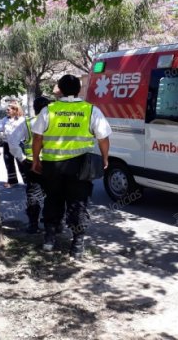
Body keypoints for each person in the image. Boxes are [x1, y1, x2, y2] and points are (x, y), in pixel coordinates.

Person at [31, 74, 111, 259]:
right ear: (78, 89)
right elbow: (103, 138)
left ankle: (49, 239)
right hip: (80, 167)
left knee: (53, 199)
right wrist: (105, 158)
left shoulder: (48, 110)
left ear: (60, 88)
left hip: (52, 165)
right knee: (78, 203)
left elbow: (37, 138)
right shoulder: (90, 110)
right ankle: (77, 243)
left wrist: (36, 160)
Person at [8, 97, 51, 233]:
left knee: (33, 194)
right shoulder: (56, 122)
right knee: (54, 194)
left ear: (35, 108)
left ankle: (33, 225)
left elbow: (12, 141)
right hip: (53, 164)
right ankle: (53, 225)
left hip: (33, 163)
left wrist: (21, 158)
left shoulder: (29, 123)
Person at [1, 104, 25, 188]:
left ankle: (27, 180)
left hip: (18, 144)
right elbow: (2, 131)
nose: (7, 111)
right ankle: (12, 181)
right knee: (8, 162)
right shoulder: (4, 120)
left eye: (9, 110)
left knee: (21, 162)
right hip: (7, 144)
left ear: (15, 110)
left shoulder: (21, 120)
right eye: (6, 110)